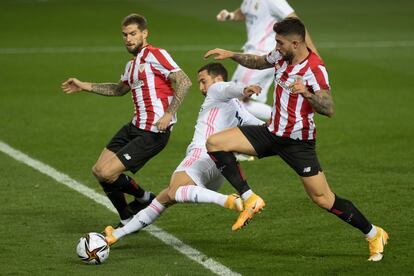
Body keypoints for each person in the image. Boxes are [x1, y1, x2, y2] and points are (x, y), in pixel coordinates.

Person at [204, 18, 388, 261]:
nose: (276, 46)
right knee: (215, 143)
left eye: (280, 42)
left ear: (296, 42)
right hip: (271, 133)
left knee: (323, 199)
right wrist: (231, 54)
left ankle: (374, 233)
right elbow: (259, 62)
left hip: (298, 143)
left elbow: (329, 107)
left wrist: (308, 94)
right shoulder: (282, 56)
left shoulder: (315, 69)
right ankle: (249, 198)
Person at [103, 63, 264, 245]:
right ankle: (116, 235)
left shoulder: (216, 90)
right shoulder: (242, 112)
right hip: (220, 169)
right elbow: (265, 129)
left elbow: (227, 87)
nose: (201, 87)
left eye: (203, 81)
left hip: (202, 156)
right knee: (165, 197)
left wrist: (244, 88)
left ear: (217, 78)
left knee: (175, 191)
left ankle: (229, 200)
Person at [61, 13, 192, 227]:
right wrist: (84, 85)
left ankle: (142, 200)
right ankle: (129, 214)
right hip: (134, 127)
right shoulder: (131, 65)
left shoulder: (156, 55)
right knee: (98, 171)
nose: (128, 39)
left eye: (133, 34)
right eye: (125, 35)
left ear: (144, 33)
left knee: (107, 173)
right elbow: (118, 89)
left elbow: (184, 82)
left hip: (153, 132)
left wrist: (169, 114)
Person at [216, 0, 318, 121]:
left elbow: (296, 24)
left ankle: (290, 119)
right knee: (244, 101)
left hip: (262, 55)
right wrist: (230, 15)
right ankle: (279, 126)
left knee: (235, 99)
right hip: (257, 54)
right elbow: (245, 11)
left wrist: (313, 52)